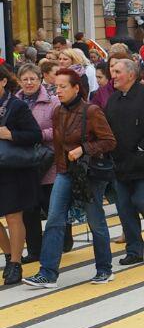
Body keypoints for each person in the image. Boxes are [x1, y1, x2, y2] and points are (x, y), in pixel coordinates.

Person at [23, 68, 118, 288]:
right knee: (55, 219)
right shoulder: (59, 112)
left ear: (76, 88)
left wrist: (83, 149)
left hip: (89, 174)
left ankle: (104, 269)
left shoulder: (92, 111)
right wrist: (60, 167)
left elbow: (109, 141)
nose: (58, 91)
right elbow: (58, 146)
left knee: (96, 221)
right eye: (56, 86)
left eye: (63, 87)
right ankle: (47, 274)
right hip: (65, 172)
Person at [105, 57, 144, 265]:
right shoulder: (113, 100)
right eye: (112, 72)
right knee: (124, 207)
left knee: (142, 201)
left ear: (131, 74)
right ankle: (134, 250)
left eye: (117, 72)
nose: (113, 76)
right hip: (120, 164)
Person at [0, 65, 43, 285]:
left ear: (3, 82)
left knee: (13, 217)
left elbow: (35, 135)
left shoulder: (15, 106)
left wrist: (11, 135)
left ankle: (16, 263)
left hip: (13, 170)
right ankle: (9, 256)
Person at [15, 63, 59, 266]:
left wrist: (37, 135)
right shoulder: (13, 104)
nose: (29, 82)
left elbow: (59, 129)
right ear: (19, 81)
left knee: (52, 207)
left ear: (40, 79)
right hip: (24, 163)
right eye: (25, 79)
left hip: (48, 162)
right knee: (29, 209)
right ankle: (34, 249)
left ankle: (61, 243)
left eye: (33, 78)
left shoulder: (52, 101)